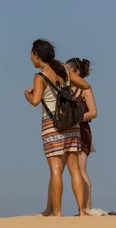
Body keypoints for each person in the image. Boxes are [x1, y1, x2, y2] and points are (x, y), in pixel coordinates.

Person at [24, 39, 90, 217]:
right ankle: (82, 211)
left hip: (52, 124)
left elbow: (36, 101)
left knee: (55, 169)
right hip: (71, 123)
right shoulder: (64, 71)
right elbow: (85, 85)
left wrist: (27, 95)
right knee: (74, 168)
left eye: (32, 54)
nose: (30, 57)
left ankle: (57, 212)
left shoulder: (40, 76)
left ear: (37, 55)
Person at [39, 57, 105, 216]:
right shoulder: (64, 86)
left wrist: (73, 118)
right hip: (64, 130)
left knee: (79, 169)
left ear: (76, 72)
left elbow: (93, 112)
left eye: (67, 69)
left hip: (81, 131)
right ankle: (50, 208)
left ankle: (85, 208)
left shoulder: (84, 88)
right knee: (57, 169)